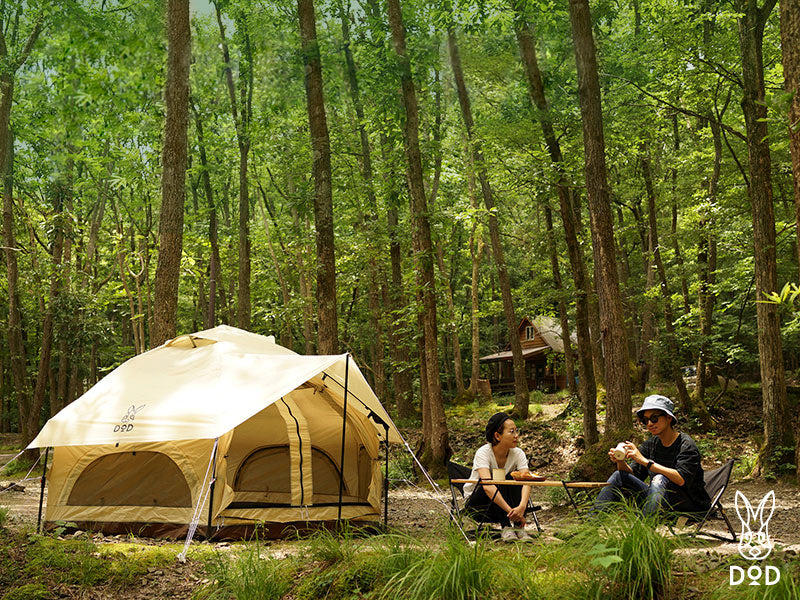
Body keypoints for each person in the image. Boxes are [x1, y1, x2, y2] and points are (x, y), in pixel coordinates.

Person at [591, 394, 711, 517]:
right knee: (619, 475)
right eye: (645, 420)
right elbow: (633, 476)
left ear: (669, 418)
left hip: (690, 504)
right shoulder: (651, 444)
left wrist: (646, 462)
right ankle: (591, 522)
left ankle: (642, 530)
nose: (649, 424)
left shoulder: (686, 445)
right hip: (659, 500)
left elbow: (681, 480)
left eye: (654, 418)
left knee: (659, 479)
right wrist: (620, 461)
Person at [463, 412, 532, 540]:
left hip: (504, 503)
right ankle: (506, 527)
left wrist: (522, 507)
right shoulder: (483, 453)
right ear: (497, 436)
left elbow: (527, 481)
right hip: (478, 503)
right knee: (499, 480)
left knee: (516, 478)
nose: (516, 436)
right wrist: (511, 513)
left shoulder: (518, 453)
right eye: (512, 432)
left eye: (517, 431)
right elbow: (488, 487)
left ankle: (518, 527)